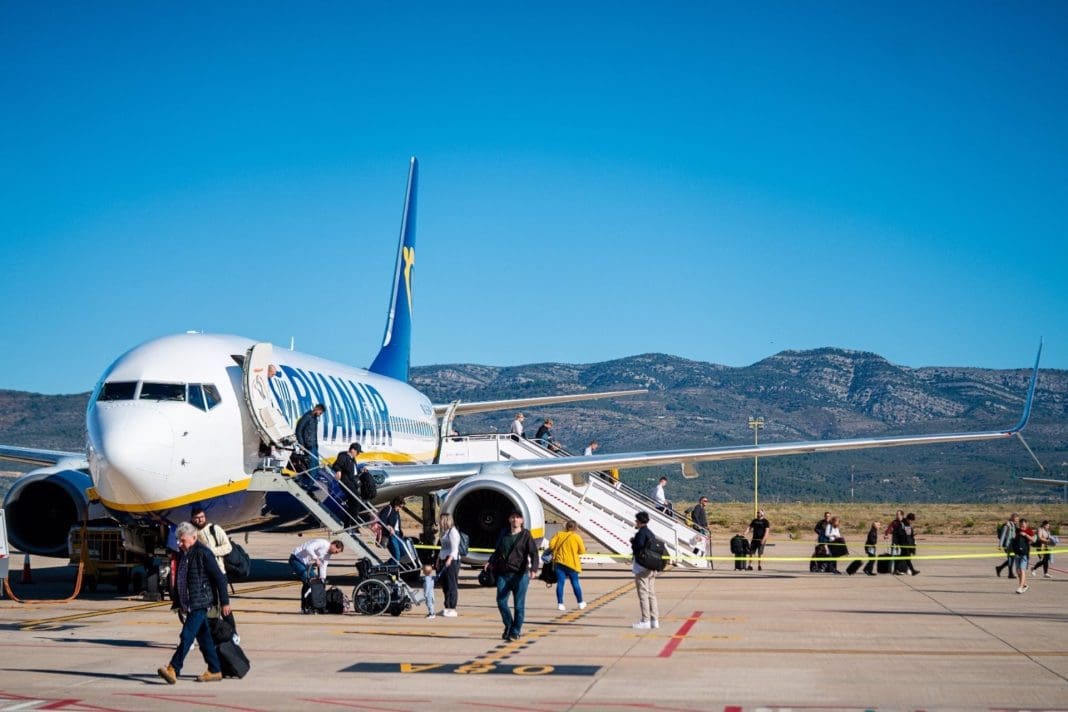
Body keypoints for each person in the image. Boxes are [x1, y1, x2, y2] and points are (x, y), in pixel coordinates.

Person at [156, 521, 231, 684]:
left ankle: (173, 668)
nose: (179, 543)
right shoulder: (185, 553)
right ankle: (215, 669)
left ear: (194, 537)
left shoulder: (204, 553)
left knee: (187, 635)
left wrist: (225, 602)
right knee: (204, 638)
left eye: (182, 540)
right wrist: (179, 602)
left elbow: (220, 578)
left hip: (200, 602)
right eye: (178, 540)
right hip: (189, 603)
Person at [486, 510, 539, 641]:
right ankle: (509, 625)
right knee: (501, 602)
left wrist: (534, 569)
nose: (515, 520)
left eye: (517, 517)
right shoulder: (504, 534)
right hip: (503, 574)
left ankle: (515, 631)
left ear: (522, 520)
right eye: (513, 517)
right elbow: (498, 551)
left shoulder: (526, 535)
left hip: (520, 575)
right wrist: (490, 561)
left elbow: (534, 553)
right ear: (509, 519)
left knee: (519, 605)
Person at [630, 511, 660, 630]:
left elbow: (638, 549)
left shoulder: (641, 534)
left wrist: (632, 542)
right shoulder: (650, 533)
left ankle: (645, 620)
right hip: (652, 567)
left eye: (636, 520)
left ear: (639, 521)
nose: (635, 522)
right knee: (651, 594)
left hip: (642, 568)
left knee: (643, 594)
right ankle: (654, 620)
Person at [548, 520, 586, 611]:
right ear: (575, 528)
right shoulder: (576, 537)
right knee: (575, 583)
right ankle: (580, 602)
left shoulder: (559, 534)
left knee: (560, 583)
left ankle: (560, 604)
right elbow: (582, 551)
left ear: (566, 527)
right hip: (572, 564)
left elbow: (551, 545)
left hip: (559, 563)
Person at [190, 506, 232, 576]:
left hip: (218, 571)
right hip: (201, 574)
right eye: (197, 518)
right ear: (192, 519)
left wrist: (210, 552)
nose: (200, 520)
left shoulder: (214, 529)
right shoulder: (190, 533)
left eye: (202, 517)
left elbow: (228, 547)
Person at [331, 442, 364, 524]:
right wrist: (338, 471)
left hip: (352, 483)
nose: (358, 454)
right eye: (357, 452)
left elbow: (353, 471)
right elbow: (336, 465)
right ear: (352, 450)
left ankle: (347, 524)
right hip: (347, 482)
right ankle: (353, 524)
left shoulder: (352, 459)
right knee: (356, 502)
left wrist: (361, 471)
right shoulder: (343, 457)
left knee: (352, 504)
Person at [436, 513, 461, 617]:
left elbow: (455, 549)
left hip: (452, 560)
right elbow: (443, 547)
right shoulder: (444, 532)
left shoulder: (453, 532)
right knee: (445, 585)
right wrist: (438, 559)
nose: (439, 522)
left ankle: (452, 607)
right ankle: (447, 606)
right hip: (443, 559)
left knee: (452, 585)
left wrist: (449, 559)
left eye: (441, 520)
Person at [377, 497, 405, 563]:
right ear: (396, 504)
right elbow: (381, 519)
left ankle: (390, 565)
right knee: (397, 556)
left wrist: (400, 532)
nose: (400, 508)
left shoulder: (396, 511)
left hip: (397, 534)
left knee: (403, 553)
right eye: (400, 506)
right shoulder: (388, 508)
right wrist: (388, 526)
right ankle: (386, 566)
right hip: (391, 534)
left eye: (402, 507)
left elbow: (397, 524)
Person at [1014, 518, 1036, 594]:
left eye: (1023, 525)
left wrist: (1026, 535)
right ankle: (1025, 585)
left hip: (1024, 554)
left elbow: (1033, 540)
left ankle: (1020, 587)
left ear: (1026, 524)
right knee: (1018, 571)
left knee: (1022, 569)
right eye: (1020, 525)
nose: (1022, 526)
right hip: (1017, 553)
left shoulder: (1029, 530)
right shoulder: (1017, 530)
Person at [995, 513, 1018, 578]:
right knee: (1011, 558)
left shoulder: (1014, 525)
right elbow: (1003, 535)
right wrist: (1000, 545)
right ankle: (1010, 573)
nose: (1016, 520)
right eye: (1015, 518)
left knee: (1011, 558)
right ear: (1012, 518)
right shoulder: (1007, 525)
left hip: (1012, 544)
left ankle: (1000, 568)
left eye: (1017, 519)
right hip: (1007, 544)